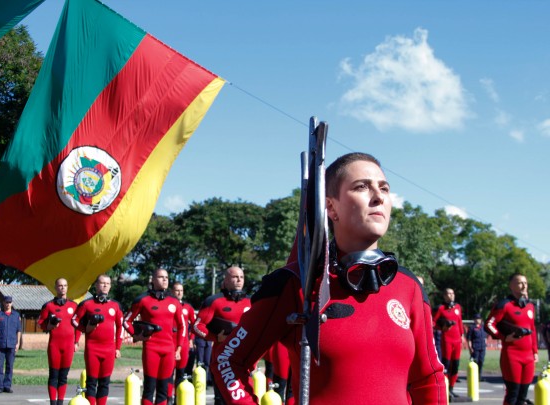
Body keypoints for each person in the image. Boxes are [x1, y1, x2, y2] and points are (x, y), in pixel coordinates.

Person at [210, 152, 447, 404]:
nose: (378, 197)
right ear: (331, 207)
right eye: (362, 187)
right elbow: (228, 361)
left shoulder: (408, 286)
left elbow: (429, 378)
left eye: (384, 188)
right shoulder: (295, 282)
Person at [123, 269, 185, 405]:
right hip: (151, 348)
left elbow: (182, 326)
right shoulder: (143, 300)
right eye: (161, 277)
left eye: (167, 277)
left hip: (169, 350)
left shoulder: (174, 302)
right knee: (149, 388)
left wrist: (179, 348)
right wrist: (136, 335)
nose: (164, 280)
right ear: (153, 279)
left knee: (163, 389)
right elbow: (126, 321)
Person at [194, 266, 251, 405]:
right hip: (222, 360)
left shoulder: (251, 302)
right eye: (235, 277)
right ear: (225, 280)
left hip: (245, 360)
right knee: (222, 400)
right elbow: (197, 326)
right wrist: (215, 337)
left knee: (244, 398)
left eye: (241, 277)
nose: (239, 280)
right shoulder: (214, 301)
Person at [485, 273, 537, 405]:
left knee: (523, 395)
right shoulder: (504, 305)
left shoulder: (530, 306)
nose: (524, 285)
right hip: (512, 355)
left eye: (525, 282)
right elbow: (489, 324)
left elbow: (533, 329)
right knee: (512, 394)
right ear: (511, 285)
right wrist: (503, 337)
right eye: (520, 282)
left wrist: (535, 351)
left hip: (529, 356)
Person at [72, 274, 123, 405]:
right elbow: (74, 320)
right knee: (91, 382)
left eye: (108, 283)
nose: (105, 285)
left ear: (110, 286)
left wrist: (118, 347)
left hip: (109, 349)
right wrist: (85, 328)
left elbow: (120, 326)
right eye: (102, 283)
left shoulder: (115, 306)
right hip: (92, 348)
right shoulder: (87, 304)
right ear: (96, 285)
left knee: (105, 382)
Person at [38, 278, 81, 405]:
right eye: (60, 285)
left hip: (68, 346)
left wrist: (76, 341)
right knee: (53, 376)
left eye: (65, 285)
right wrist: (48, 326)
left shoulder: (74, 306)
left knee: (63, 376)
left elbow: (78, 325)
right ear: (56, 288)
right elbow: (40, 323)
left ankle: (60, 402)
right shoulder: (48, 306)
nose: (62, 288)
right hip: (54, 345)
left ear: (67, 287)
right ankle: (52, 402)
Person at [433, 288, 465, 398]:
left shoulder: (458, 307)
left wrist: (462, 335)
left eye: (452, 293)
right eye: (448, 294)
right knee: (446, 364)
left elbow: (460, 322)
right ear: (444, 296)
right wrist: (442, 327)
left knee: (455, 365)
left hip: (457, 341)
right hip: (446, 340)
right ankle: (445, 389)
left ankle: (452, 388)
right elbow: (433, 323)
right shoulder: (441, 308)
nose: (451, 295)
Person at [0, 295, 21, 393]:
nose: (8, 304)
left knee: (9, 366)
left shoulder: (16, 315)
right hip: (0, 344)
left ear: (12, 303)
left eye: (9, 302)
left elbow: (18, 330)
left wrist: (18, 343)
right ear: (3, 303)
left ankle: (7, 385)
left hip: (12, 344)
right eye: (6, 302)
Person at [171, 282, 197, 389]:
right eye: (177, 290)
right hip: (170, 342)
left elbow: (196, 325)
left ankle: (179, 398)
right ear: (172, 292)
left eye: (181, 290)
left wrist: (191, 339)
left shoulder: (188, 307)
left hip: (184, 343)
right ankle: (168, 398)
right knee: (169, 373)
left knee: (181, 373)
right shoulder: (168, 305)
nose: (179, 293)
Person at [467, 313, 487, 381]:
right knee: (475, 362)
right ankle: (474, 376)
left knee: (481, 361)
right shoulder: (472, 328)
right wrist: (470, 348)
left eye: (479, 319)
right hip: (475, 347)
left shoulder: (483, 327)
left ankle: (479, 376)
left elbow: (485, 337)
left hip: (482, 347)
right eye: (476, 319)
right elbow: (469, 339)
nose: (478, 320)